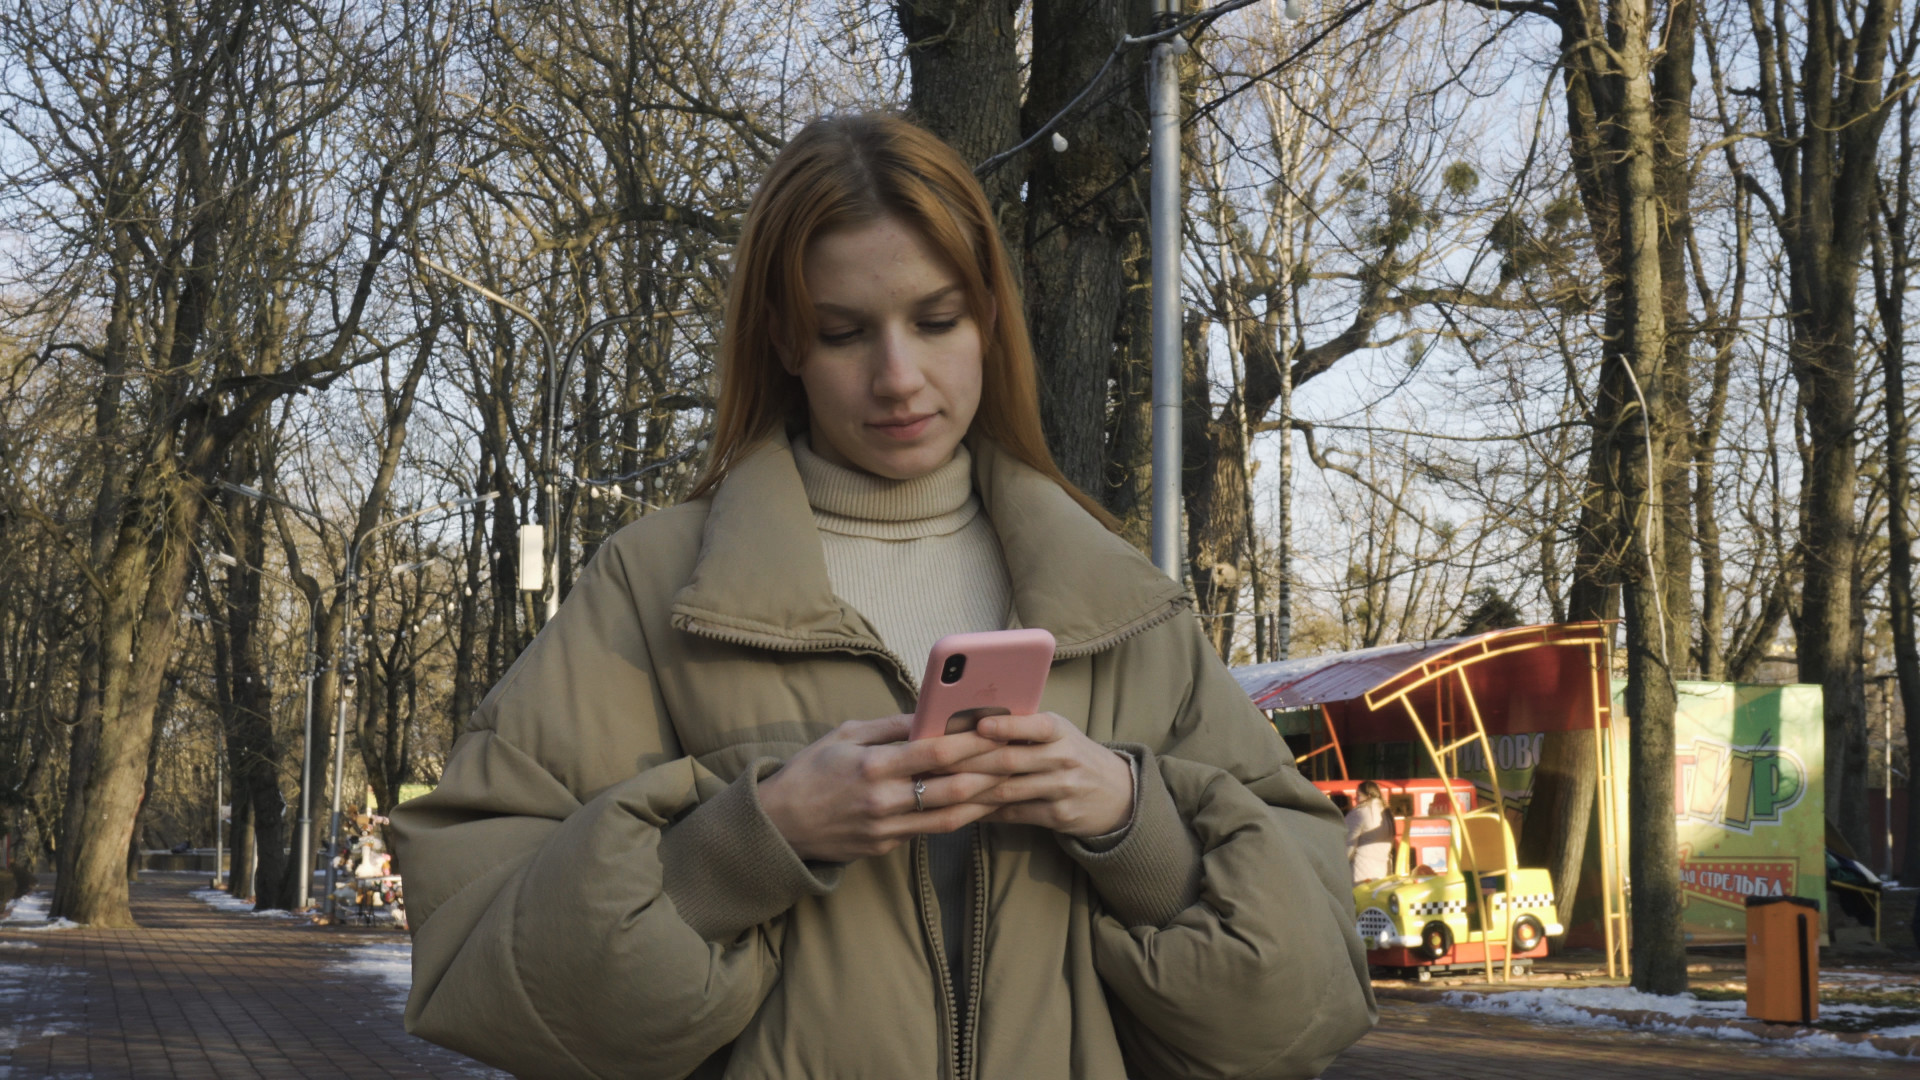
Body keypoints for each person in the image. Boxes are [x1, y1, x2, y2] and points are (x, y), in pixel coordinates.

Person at [392, 112, 1374, 1080]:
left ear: (990, 318)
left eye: (936, 320)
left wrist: (1132, 822)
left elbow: (1306, 1003)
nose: (898, 377)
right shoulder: (654, 593)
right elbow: (481, 956)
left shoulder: (1122, 601)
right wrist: (754, 841)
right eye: (843, 332)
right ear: (784, 341)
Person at [1346, 780, 1395, 883]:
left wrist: (1339, 865)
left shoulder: (1360, 813)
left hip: (1360, 871)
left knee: (1358, 898)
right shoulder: (1387, 814)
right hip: (1382, 871)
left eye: (1358, 795)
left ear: (1368, 796)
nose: (1356, 798)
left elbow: (1349, 845)